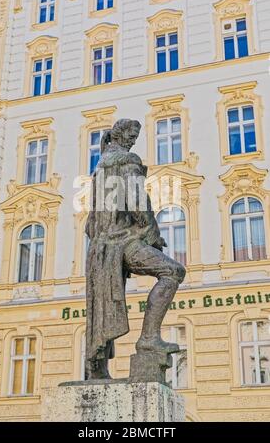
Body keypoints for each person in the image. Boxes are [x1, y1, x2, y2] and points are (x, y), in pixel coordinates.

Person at [85, 119, 186, 379]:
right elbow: (137, 199)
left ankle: (98, 371)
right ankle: (149, 339)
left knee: (102, 307)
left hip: (100, 248)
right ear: (119, 135)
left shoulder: (100, 167)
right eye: (131, 135)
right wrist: (151, 233)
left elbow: (90, 223)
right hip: (120, 242)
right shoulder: (126, 160)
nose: (133, 140)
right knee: (173, 271)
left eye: (135, 136)